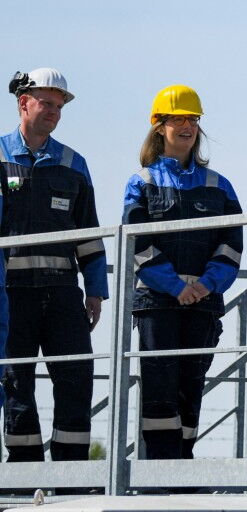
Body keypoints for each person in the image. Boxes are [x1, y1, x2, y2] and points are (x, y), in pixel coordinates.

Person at [122, 84, 242, 459]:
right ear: (159, 126)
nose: (187, 126)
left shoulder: (219, 186)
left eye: (192, 120)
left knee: (192, 385)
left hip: (202, 304)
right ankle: (157, 467)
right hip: (157, 302)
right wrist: (175, 287)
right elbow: (137, 243)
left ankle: (183, 466)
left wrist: (206, 285)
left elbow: (231, 244)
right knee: (159, 386)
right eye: (178, 119)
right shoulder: (141, 182)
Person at [0, 68, 107, 462]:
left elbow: (89, 233)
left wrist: (95, 290)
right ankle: (25, 470)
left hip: (63, 293)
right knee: (16, 382)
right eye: (47, 103)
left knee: (76, 377)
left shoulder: (73, 163)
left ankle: (72, 472)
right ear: (22, 102)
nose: (54, 112)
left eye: (59, 106)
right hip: (10, 294)